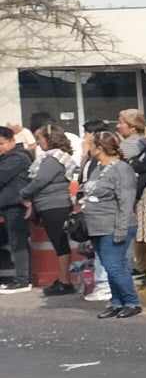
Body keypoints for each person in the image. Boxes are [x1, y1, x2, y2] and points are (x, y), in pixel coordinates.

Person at [80, 131, 141, 318]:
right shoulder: (99, 167)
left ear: (99, 148)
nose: (87, 148)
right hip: (97, 226)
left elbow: (126, 200)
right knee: (110, 266)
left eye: (89, 145)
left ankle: (131, 301)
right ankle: (116, 302)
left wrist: (121, 228)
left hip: (113, 225)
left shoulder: (121, 169)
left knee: (114, 266)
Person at [25, 125, 80, 296]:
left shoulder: (53, 159)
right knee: (59, 243)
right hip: (52, 204)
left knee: (59, 243)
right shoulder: (56, 157)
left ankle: (64, 281)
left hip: (53, 205)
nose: (38, 142)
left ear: (49, 139)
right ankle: (63, 278)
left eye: (40, 138)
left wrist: (24, 192)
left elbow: (40, 180)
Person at [0, 128, 34, 292]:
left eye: (1, 143)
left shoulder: (17, 157)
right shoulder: (7, 157)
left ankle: (22, 280)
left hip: (16, 205)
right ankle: (22, 278)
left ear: (12, 140)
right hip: (8, 205)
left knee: (18, 242)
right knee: (15, 242)